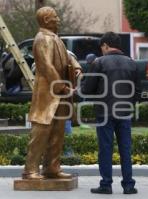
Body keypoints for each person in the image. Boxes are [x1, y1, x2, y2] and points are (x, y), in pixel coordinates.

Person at [22, 6, 81, 180]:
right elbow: (46, 66)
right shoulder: (42, 39)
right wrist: (61, 86)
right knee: (40, 132)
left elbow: (68, 56)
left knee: (58, 132)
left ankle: (52, 167)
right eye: (55, 17)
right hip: (48, 93)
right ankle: (30, 169)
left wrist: (76, 67)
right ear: (47, 21)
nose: (59, 20)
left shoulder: (55, 38)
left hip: (61, 94)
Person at [81, 31, 139, 194]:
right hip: (125, 112)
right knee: (125, 149)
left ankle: (106, 184)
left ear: (106, 45)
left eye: (102, 47)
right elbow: (137, 90)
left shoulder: (99, 63)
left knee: (105, 148)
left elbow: (87, 89)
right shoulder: (132, 63)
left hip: (104, 112)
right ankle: (128, 185)